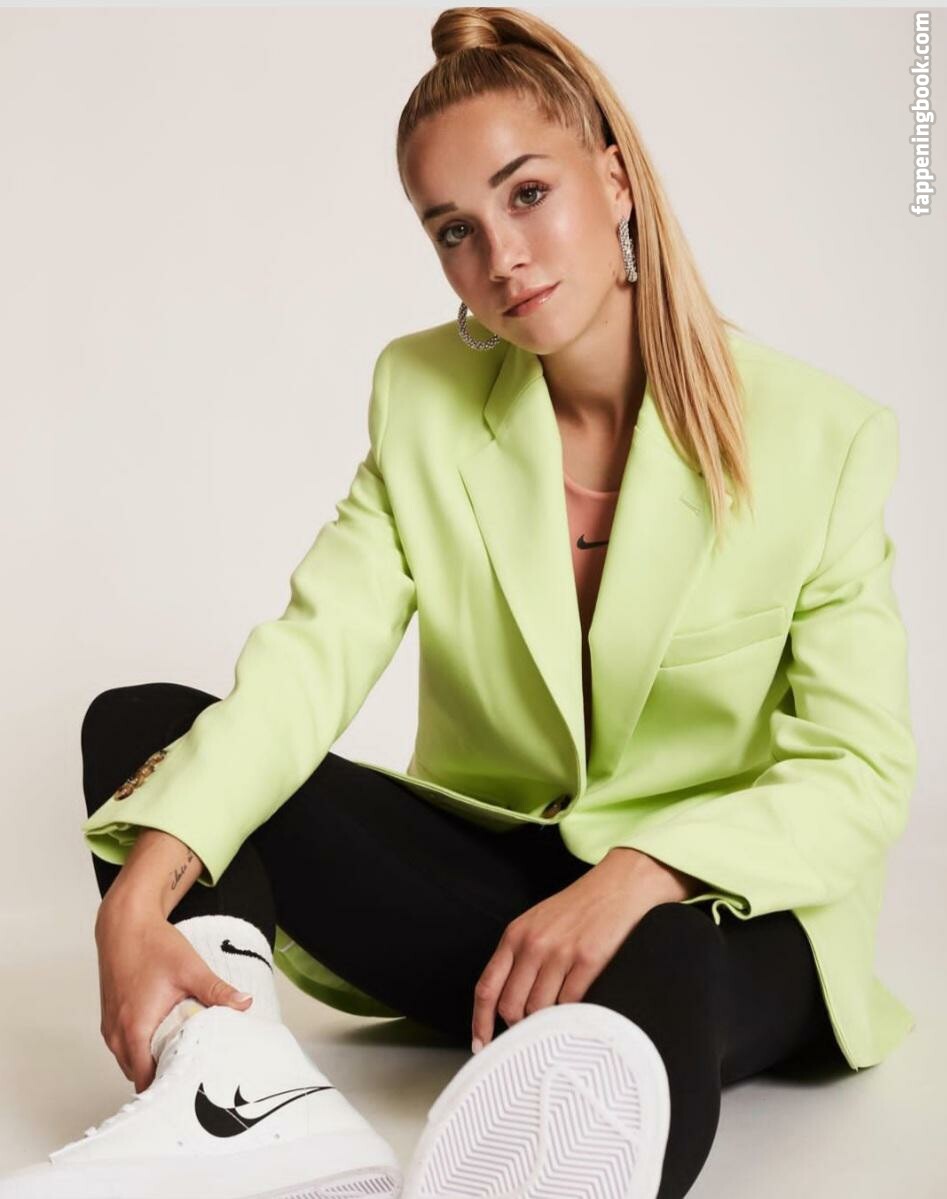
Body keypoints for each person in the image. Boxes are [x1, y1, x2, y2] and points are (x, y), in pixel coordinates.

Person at [1, 6, 917, 1199]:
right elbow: (310, 660)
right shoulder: (422, 397)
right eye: (453, 230)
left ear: (614, 176)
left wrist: (641, 869)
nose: (501, 257)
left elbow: (858, 766)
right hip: (503, 918)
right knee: (148, 735)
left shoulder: (818, 436)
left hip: (718, 908)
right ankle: (240, 1090)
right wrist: (147, 874)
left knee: (660, 968)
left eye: (527, 194)